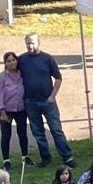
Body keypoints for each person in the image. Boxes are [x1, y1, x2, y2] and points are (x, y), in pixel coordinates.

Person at [15, 33, 72, 166]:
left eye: (33, 43)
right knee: (38, 132)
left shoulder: (47, 59)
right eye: (28, 43)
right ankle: (45, 157)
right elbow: (12, 73)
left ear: (38, 42)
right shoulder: (21, 60)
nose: (30, 46)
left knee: (56, 129)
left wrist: (52, 96)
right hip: (30, 102)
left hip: (47, 101)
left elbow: (58, 78)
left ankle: (67, 157)